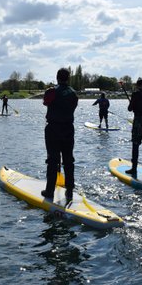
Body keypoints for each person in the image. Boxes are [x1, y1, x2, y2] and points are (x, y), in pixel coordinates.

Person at [41, 68, 78, 204]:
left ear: (57, 77)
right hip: (68, 128)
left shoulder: (51, 91)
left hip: (53, 129)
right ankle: (69, 191)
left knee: (52, 160)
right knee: (69, 160)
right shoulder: (73, 93)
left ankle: (49, 191)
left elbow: (46, 102)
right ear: (68, 78)